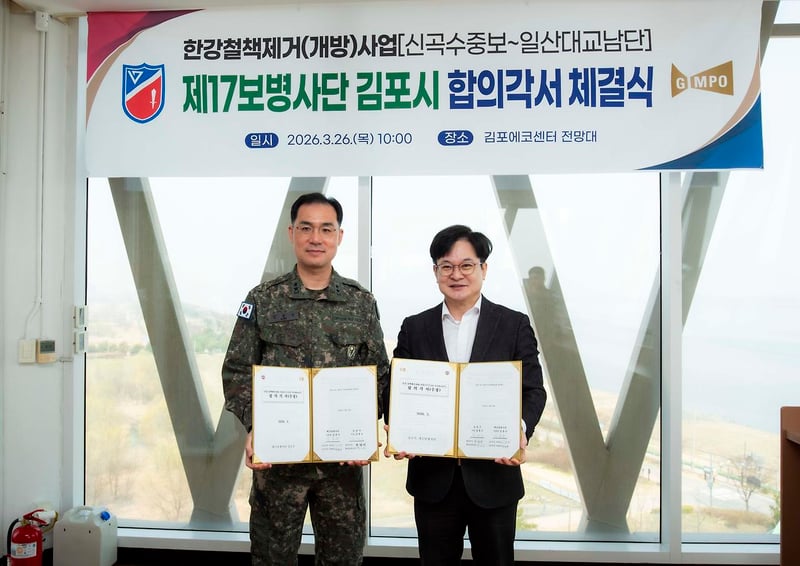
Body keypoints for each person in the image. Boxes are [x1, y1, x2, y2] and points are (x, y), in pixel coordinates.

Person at [221, 192, 390, 566]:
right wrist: (256, 425)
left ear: (339, 236)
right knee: (272, 559)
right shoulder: (263, 299)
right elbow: (237, 371)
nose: (316, 238)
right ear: (292, 233)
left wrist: (366, 427)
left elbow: (378, 373)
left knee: (343, 560)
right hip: (278, 466)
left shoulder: (361, 303)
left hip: (342, 468)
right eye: (306, 228)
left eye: (326, 229)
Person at [385, 225, 547, 566]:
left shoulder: (514, 324)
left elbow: (533, 390)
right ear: (435, 272)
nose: (456, 274)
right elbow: (395, 390)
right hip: (432, 480)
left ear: (483, 269)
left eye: (466, 265)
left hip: (495, 477)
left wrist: (518, 430)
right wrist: (399, 428)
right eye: (446, 266)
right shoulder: (414, 327)